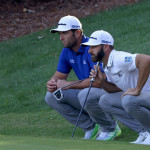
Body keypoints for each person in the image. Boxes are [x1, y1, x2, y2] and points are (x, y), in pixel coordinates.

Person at [45, 16, 117, 139]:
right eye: (60, 34)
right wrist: (52, 83)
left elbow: (100, 81)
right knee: (51, 96)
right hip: (88, 95)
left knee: (84, 95)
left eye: (65, 33)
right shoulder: (66, 51)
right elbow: (59, 76)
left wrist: (67, 84)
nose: (61, 37)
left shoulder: (93, 48)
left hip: (110, 94)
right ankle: (91, 127)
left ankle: (110, 128)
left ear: (77, 33)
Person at [81, 30, 150, 145]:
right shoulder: (105, 64)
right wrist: (101, 81)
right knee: (105, 100)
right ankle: (144, 132)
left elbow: (146, 60)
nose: (89, 51)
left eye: (94, 47)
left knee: (129, 100)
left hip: (145, 97)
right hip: (143, 99)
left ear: (106, 46)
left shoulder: (119, 58)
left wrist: (137, 89)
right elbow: (115, 89)